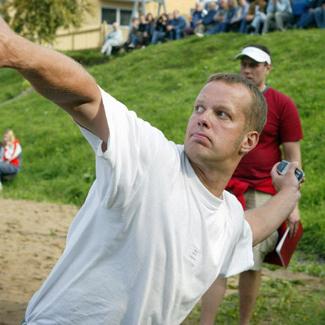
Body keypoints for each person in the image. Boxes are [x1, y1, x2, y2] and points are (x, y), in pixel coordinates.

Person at [0, 18, 302, 324]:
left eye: (222, 114)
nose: (203, 118)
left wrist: (290, 191)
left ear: (249, 140)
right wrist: (13, 49)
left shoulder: (227, 219)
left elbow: (255, 225)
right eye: (199, 108)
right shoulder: (154, 158)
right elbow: (85, 98)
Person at [200, 44, 303, 325]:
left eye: (254, 64)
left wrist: (292, 203)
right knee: (216, 261)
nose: (247, 69)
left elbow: (293, 157)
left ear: (268, 68)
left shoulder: (282, 104)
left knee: (251, 262)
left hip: (261, 191)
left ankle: (244, 322)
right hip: (223, 186)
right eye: (244, 63)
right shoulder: (231, 100)